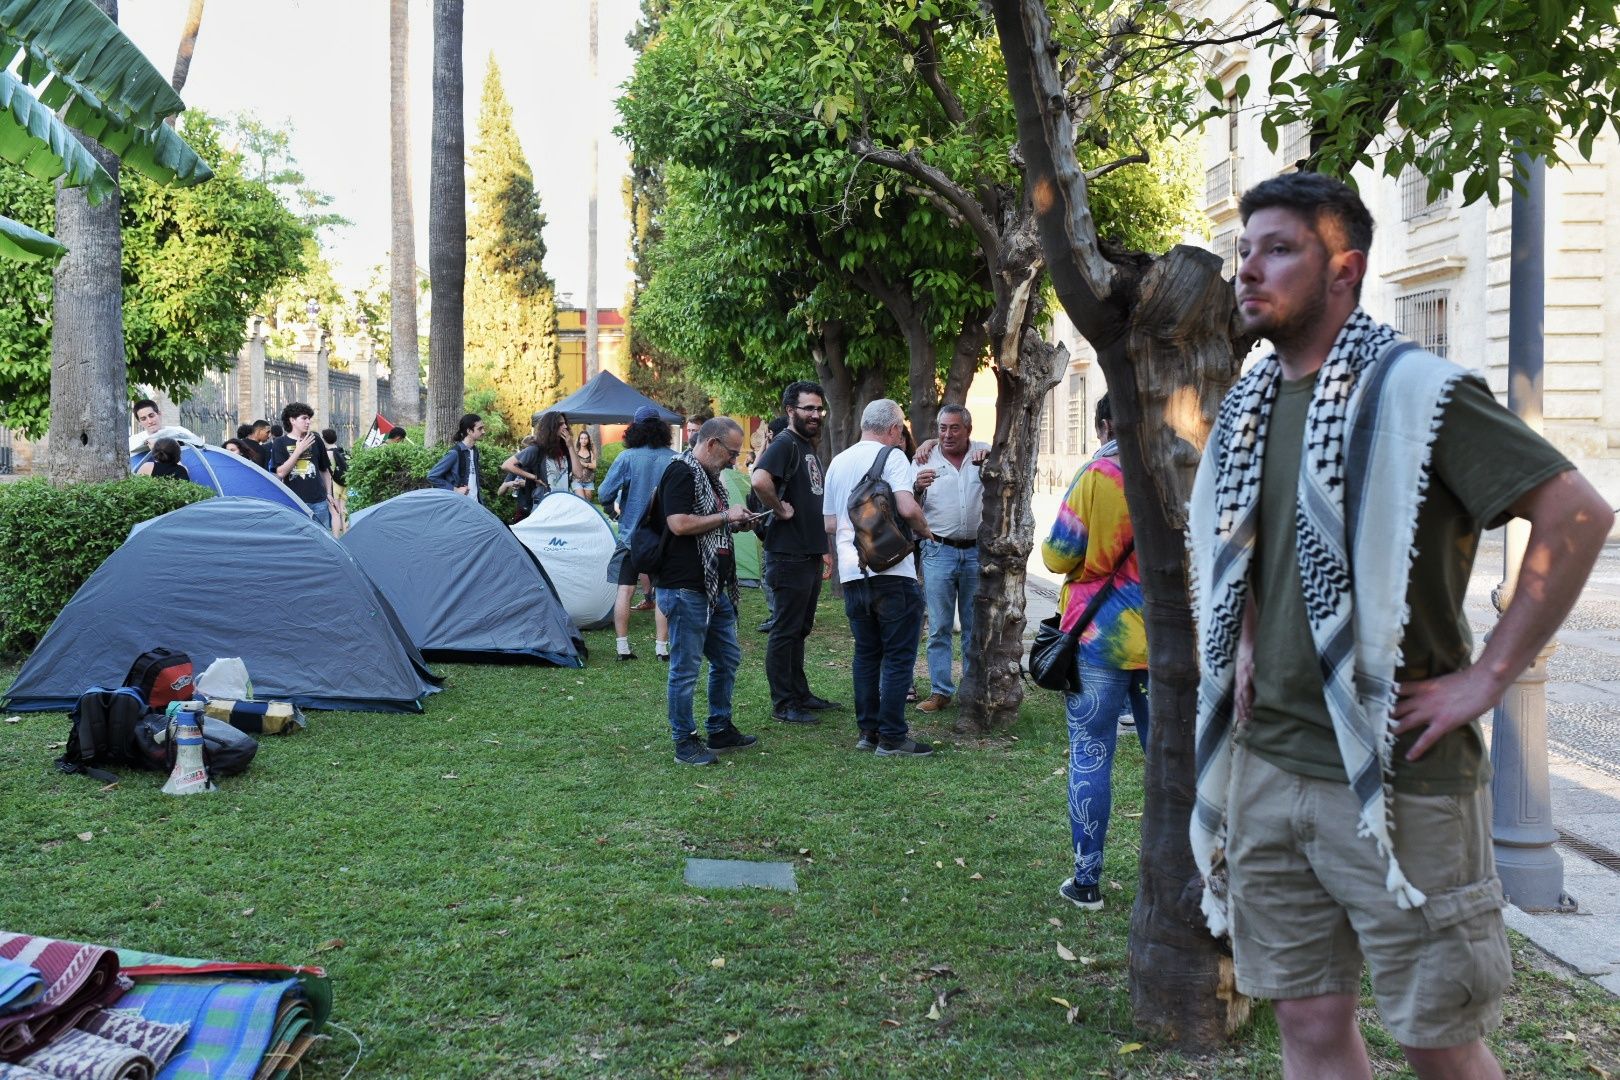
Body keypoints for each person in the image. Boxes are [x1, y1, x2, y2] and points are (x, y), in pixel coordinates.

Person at [1188, 172, 1614, 1080]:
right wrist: (1252, 637)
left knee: (1439, 1042)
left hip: (1403, 777)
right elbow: (1245, 548)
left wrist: (1488, 678)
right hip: (1270, 767)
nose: (1247, 269)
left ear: (1345, 269)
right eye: (1244, 251)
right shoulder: (1249, 410)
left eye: (1278, 250)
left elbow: (1577, 514)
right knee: (1307, 1025)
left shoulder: (1422, 394)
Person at [1040, 394, 1148, 912]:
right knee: (1174, 761)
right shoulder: (1181, 473)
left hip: (1097, 639)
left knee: (1091, 754)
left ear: (1104, 424)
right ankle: (1182, 876)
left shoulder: (1097, 476)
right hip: (1168, 642)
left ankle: (1086, 881)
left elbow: (1058, 555)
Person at [821, 399, 935, 755]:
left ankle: (868, 733)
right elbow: (907, 507)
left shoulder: (838, 461)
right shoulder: (893, 457)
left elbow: (829, 523)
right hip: (892, 571)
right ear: (894, 429)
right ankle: (893, 737)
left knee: (866, 654)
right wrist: (926, 531)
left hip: (852, 574)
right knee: (898, 656)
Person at [653, 417, 761, 766]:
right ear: (712, 444)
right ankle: (684, 741)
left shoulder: (711, 478)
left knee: (727, 658)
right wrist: (726, 517)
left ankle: (720, 728)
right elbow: (679, 523)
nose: (733, 460)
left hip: (713, 588)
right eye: (731, 452)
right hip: (685, 587)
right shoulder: (681, 472)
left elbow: (711, 524)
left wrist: (735, 523)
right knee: (685, 670)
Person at [750, 381, 838, 725]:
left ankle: (800, 694)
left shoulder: (806, 445)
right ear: (791, 411)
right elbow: (759, 480)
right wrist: (779, 509)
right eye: (808, 408)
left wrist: (822, 547)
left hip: (807, 552)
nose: (815, 414)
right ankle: (784, 702)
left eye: (819, 408)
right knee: (785, 630)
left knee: (800, 628)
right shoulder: (785, 443)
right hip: (787, 554)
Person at [909, 404, 989, 713]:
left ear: (968, 429)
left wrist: (989, 458)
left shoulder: (983, 453)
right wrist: (917, 488)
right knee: (939, 625)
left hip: (975, 552)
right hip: (938, 549)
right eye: (942, 428)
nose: (947, 434)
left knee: (972, 625)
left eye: (954, 428)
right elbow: (908, 503)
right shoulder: (924, 459)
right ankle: (940, 690)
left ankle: (970, 689)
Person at [598, 406, 678, 661]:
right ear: (662, 430)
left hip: (631, 536)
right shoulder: (676, 459)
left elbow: (604, 493)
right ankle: (662, 648)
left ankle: (623, 648)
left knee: (625, 590)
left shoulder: (626, 458)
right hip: (665, 538)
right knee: (663, 591)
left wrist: (613, 509)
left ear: (635, 430)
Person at [268, 402, 340, 530]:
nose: (308, 422)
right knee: (298, 537)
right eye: (304, 418)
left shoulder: (315, 440)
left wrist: (329, 494)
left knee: (322, 536)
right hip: (295, 502)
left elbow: (324, 470)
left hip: (319, 501)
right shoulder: (280, 443)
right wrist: (298, 451)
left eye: (309, 418)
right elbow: (281, 472)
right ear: (292, 420)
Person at [752, 416, 789, 634]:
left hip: (773, 525)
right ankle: (782, 614)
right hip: (778, 527)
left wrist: (765, 445)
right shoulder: (791, 453)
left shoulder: (777, 456)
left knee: (769, 574)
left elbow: (756, 474)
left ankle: (777, 616)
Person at [428, 413, 487, 502]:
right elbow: (432, 476)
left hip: (475, 503)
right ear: (469, 431)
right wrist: (455, 490)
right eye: (480, 429)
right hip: (460, 504)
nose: (483, 432)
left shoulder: (475, 451)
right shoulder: (454, 453)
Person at [128, 398, 199, 455]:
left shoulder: (180, 431)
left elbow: (199, 443)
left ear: (159, 414)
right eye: (143, 419)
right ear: (139, 422)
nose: (149, 421)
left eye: (151, 416)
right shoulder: (133, 441)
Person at [322, 428, 350, 522]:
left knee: (335, 512)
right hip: (345, 482)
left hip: (334, 484)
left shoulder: (327, 454)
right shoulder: (343, 451)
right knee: (343, 509)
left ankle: (337, 531)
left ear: (324, 439)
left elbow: (327, 472)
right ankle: (347, 529)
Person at [573, 429, 598, 500]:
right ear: (579, 440)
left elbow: (594, 466)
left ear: (588, 440)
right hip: (577, 480)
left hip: (589, 481)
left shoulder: (591, 452)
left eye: (585, 438)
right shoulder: (575, 451)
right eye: (581, 438)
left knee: (587, 502)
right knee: (581, 500)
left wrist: (583, 464)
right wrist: (588, 464)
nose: (583, 440)